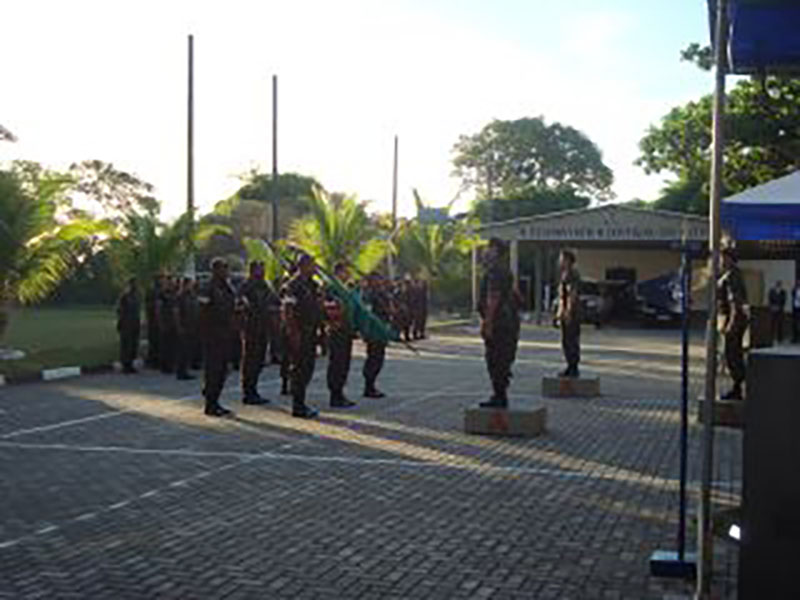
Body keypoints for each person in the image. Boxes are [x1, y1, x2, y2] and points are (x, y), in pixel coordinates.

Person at [478, 238, 521, 408]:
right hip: (507, 321)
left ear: (496, 251)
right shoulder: (504, 270)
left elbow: (493, 298)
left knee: (495, 359)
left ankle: (499, 396)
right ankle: (500, 394)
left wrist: (488, 322)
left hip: (499, 322)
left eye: (489, 248)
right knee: (502, 358)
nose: (485, 251)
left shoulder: (495, 271)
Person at [282, 253, 321, 419]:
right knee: (299, 368)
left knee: (308, 367)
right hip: (299, 331)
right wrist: (293, 332)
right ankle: (298, 406)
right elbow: (288, 310)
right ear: (303, 266)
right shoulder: (293, 285)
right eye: (312, 265)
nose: (315, 268)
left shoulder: (312, 284)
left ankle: (301, 402)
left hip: (310, 330)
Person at [200, 258, 236, 417]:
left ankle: (215, 400)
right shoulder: (207, 288)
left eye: (226, 268)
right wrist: (206, 332)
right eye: (223, 268)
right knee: (213, 370)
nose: (226, 271)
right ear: (215, 270)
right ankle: (210, 404)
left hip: (226, 333)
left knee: (223, 370)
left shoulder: (227, 287)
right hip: (213, 334)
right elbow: (202, 311)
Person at [239, 261, 273, 405]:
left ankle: (254, 390)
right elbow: (241, 303)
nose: (263, 272)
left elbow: (273, 300)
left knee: (259, 360)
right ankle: (248, 392)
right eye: (260, 269)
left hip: (263, 327)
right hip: (251, 328)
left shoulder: (264, 285)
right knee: (250, 360)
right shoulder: (247, 286)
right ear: (253, 271)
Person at [718, 245, 749, 400]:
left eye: (723, 258)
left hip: (735, 321)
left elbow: (735, 302)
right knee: (733, 355)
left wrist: (731, 325)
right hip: (733, 319)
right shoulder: (731, 274)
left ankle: (738, 388)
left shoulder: (732, 275)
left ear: (730, 259)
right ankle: (738, 387)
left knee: (732, 355)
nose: (721, 261)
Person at [325, 263, 357, 408]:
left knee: (344, 363)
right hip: (337, 330)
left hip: (346, 330)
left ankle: (340, 393)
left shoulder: (345, 288)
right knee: (337, 363)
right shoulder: (332, 288)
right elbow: (329, 306)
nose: (348, 274)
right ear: (338, 272)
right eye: (345, 272)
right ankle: (335, 395)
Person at [361, 273, 391, 398]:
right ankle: (369, 387)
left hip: (381, 330)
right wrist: (366, 332)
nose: (380, 282)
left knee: (378, 359)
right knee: (373, 359)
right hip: (374, 331)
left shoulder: (380, 293)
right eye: (377, 280)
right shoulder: (369, 294)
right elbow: (367, 313)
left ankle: (372, 385)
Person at [558, 250, 581, 378]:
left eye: (562, 258)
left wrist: (568, 311)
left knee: (571, 339)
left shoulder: (572, 274)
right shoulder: (565, 274)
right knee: (566, 340)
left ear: (567, 260)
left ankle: (573, 367)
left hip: (572, 312)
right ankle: (569, 365)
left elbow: (572, 293)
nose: (560, 261)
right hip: (566, 310)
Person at [116, 277, 141, 374]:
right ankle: (125, 364)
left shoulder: (136, 296)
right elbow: (119, 310)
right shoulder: (125, 296)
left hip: (134, 322)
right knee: (126, 344)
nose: (135, 286)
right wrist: (121, 321)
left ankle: (130, 363)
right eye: (134, 284)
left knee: (133, 344)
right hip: (126, 323)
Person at [174, 277, 197, 381]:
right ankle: (181, 371)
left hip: (191, 326)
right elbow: (176, 312)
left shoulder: (191, 296)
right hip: (184, 326)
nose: (191, 286)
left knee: (188, 350)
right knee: (182, 350)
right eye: (190, 284)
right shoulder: (180, 296)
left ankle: (185, 370)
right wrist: (179, 326)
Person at [158, 275, 178, 374]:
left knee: (172, 346)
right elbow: (158, 309)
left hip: (172, 322)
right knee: (165, 346)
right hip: (166, 322)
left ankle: (171, 364)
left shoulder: (174, 294)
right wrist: (161, 322)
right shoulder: (162, 295)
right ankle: (165, 366)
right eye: (169, 282)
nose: (171, 284)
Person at [144, 275, 162, 368]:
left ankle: (155, 360)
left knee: (157, 342)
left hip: (156, 320)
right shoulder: (153, 292)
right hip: (154, 320)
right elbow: (152, 306)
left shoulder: (158, 291)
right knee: (154, 341)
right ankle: (152, 361)